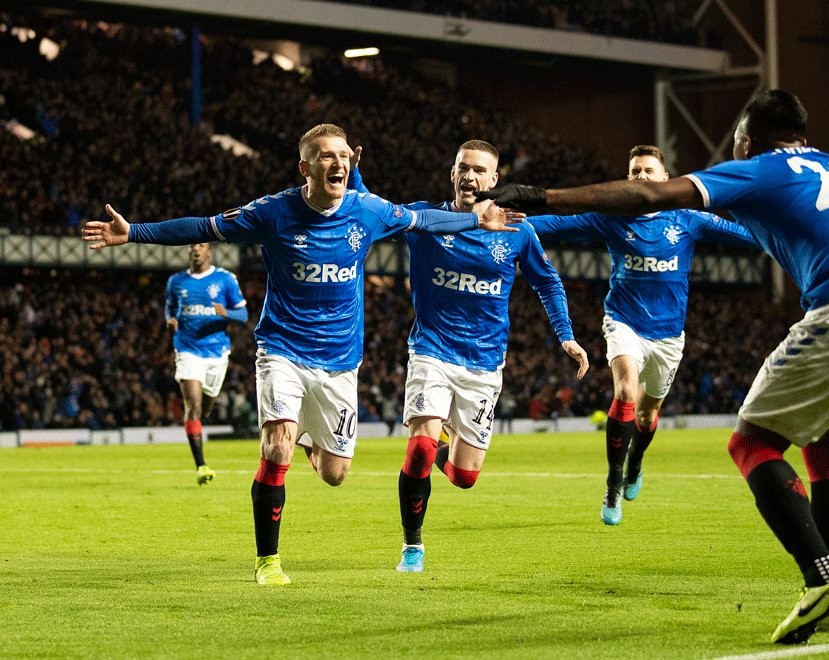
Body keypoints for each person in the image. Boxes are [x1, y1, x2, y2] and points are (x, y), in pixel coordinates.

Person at [478, 90, 829, 644]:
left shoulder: (763, 169)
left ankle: (822, 579)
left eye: (738, 136)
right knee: (826, 446)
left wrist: (541, 195)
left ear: (750, 137)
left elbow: (650, 195)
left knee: (752, 445)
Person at [82, 123, 519, 586]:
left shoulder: (367, 210)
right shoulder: (272, 212)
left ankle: (310, 440)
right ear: (305, 167)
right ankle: (268, 561)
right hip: (282, 349)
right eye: (327, 156)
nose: (338, 163)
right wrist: (134, 232)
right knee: (276, 444)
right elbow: (205, 225)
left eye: (344, 156)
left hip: (340, 361)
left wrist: (475, 221)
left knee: (335, 474)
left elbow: (425, 221)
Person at [350, 140, 589, 572]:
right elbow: (376, 211)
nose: (470, 176)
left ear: (495, 179)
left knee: (464, 477)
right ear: (452, 173)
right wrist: (353, 175)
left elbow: (548, 282)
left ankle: (444, 444)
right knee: (420, 449)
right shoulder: (427, 219)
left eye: (480, 170)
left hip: (484, 363)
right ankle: (412, 546)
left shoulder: (517, 230)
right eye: (463, 167)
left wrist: (566, 336)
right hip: (432, 351)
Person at [526, 145, 755, 525]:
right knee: (626, 393)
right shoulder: (612, 218)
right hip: (624, 322)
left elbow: (744, 235)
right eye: (635, 171)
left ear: (665, 178)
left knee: (647, 416)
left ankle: (635, 463)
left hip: (668, 335)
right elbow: (559, 223)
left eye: (649, 171)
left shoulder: (689, 219)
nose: (642, 177)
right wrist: (514, 219)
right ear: (628, 179)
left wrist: (789, 229)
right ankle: (613, 484)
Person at [164, 242, 248, 485]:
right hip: (187, 350)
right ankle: (201, 465)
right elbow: (170, 307)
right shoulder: (176, 281)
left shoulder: (225, 279)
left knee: (205, 408)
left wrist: (226, 313)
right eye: (193, 246)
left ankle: (198, 424)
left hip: (216, 353)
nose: (196, 249)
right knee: (193, 405)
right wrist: (170, 320)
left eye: (201, 245)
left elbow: (243, 315)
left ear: (209, 251)